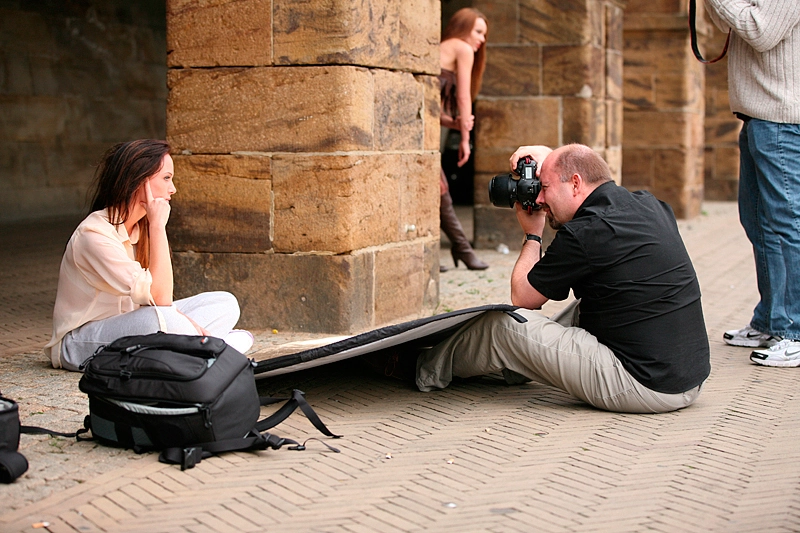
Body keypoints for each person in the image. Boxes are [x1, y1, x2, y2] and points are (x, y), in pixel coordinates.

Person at [407, 144, 710, 413]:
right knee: (589, 305)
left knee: (504, 326)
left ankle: (418, 369)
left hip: (643, 384)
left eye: (545, 187)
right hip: (687, 377)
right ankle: (513, 364)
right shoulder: (649, 204)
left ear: (576, 183)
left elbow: (524, 298)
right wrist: (549, 154)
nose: (539, 198)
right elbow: (580, 164)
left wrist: (532, 234)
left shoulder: (585, 232)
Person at [44, 140, 253, 371]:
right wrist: (157, 226)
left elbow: (159, 303)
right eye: (166, 178)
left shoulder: (138, 228)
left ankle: (197, 350)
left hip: (135, 327)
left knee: (225, 303)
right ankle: (215, 348)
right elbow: (161, 299)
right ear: (138, 181)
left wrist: (185, 321)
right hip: (79, 343)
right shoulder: (93, 234)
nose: (172, 188)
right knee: (162, 320)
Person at [702, 1, 800, 367]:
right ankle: (770, 320)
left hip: (782, 119)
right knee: (758, 221)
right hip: (759, 116)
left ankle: (794, 330)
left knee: (786, 224)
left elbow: (761, 32)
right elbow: (724, 21)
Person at [438, 7, 489, 271]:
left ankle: (457, 250)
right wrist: (466, 137)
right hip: (427, 133)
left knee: (435, 187)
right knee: (437, 187)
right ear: (463, 26)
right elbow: (464, 98)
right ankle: (462, 249)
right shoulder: (462, 48)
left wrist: (452, 122)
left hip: (425, 128)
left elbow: (434, 109)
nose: (481, 39)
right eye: (478, 31)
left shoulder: (441, 47)